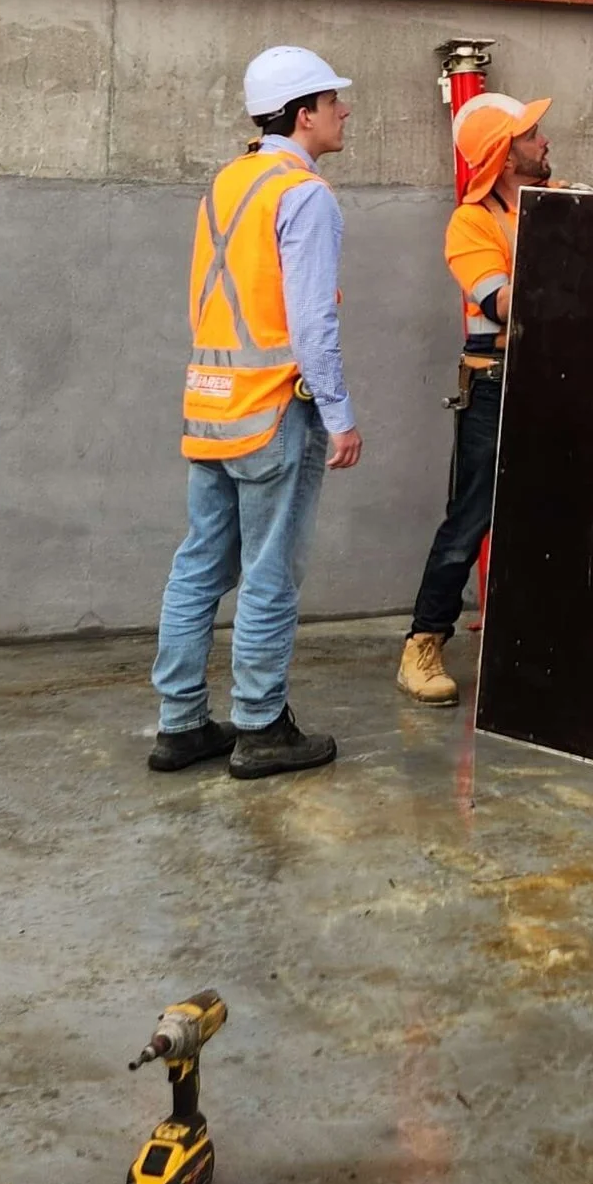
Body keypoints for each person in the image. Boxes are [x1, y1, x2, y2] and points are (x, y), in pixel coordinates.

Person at [149, 46, 361, 779]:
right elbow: (311, 323)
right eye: (334, 102)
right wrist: (338, 412)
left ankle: (179, 725)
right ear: (304, 114)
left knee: (199, 565)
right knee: (270, 572)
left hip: (210, 406)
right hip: (274, 410)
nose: (344, 112)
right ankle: (262, 728)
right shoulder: (304, 195)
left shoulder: (228, 184)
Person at [397, 90, 555, 703]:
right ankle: (422, 646)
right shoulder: (473, 222)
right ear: (504, 156)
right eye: (530, 136)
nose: (543, 141)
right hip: (496, 382)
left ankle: (539, 641)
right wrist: (575, 258)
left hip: (558, 377)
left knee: (553, 514)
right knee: (471, 520)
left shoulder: (558, 203)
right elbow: (500, 303)